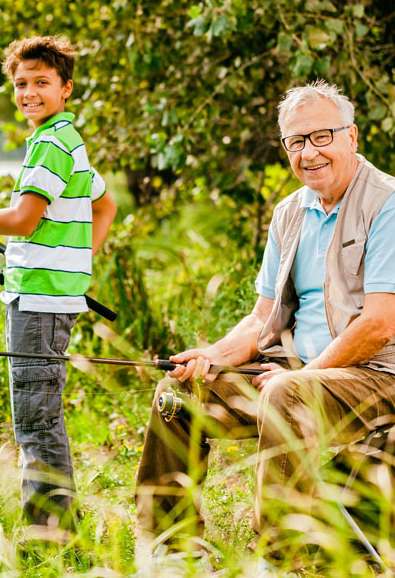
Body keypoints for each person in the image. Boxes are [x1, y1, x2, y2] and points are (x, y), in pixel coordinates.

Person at [135, 80, 395, 573]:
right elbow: (261, 317)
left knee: (286, 397)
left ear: (352, 136)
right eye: (296, 141)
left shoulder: (388, 204)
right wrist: (212, 355)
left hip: (378, 376)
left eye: (322, 136)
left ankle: (279, 559)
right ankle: (171, 549)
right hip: (298, 371)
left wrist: (306, 375)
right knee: (177, 395)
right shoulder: (289, 212)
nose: (309, 152)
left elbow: (381, 325)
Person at [0, 35, 117, 536]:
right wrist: (76, 263)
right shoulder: (66, 139)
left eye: (41, 82)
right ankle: (55, 522)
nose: (29, 92)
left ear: (65, 87)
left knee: (35, 416)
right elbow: (104, 206)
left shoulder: (51, 142)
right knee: (39, 410)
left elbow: (25, 220)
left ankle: (50, 531)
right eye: (21, 84)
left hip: (40, 301)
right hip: (49, 295)